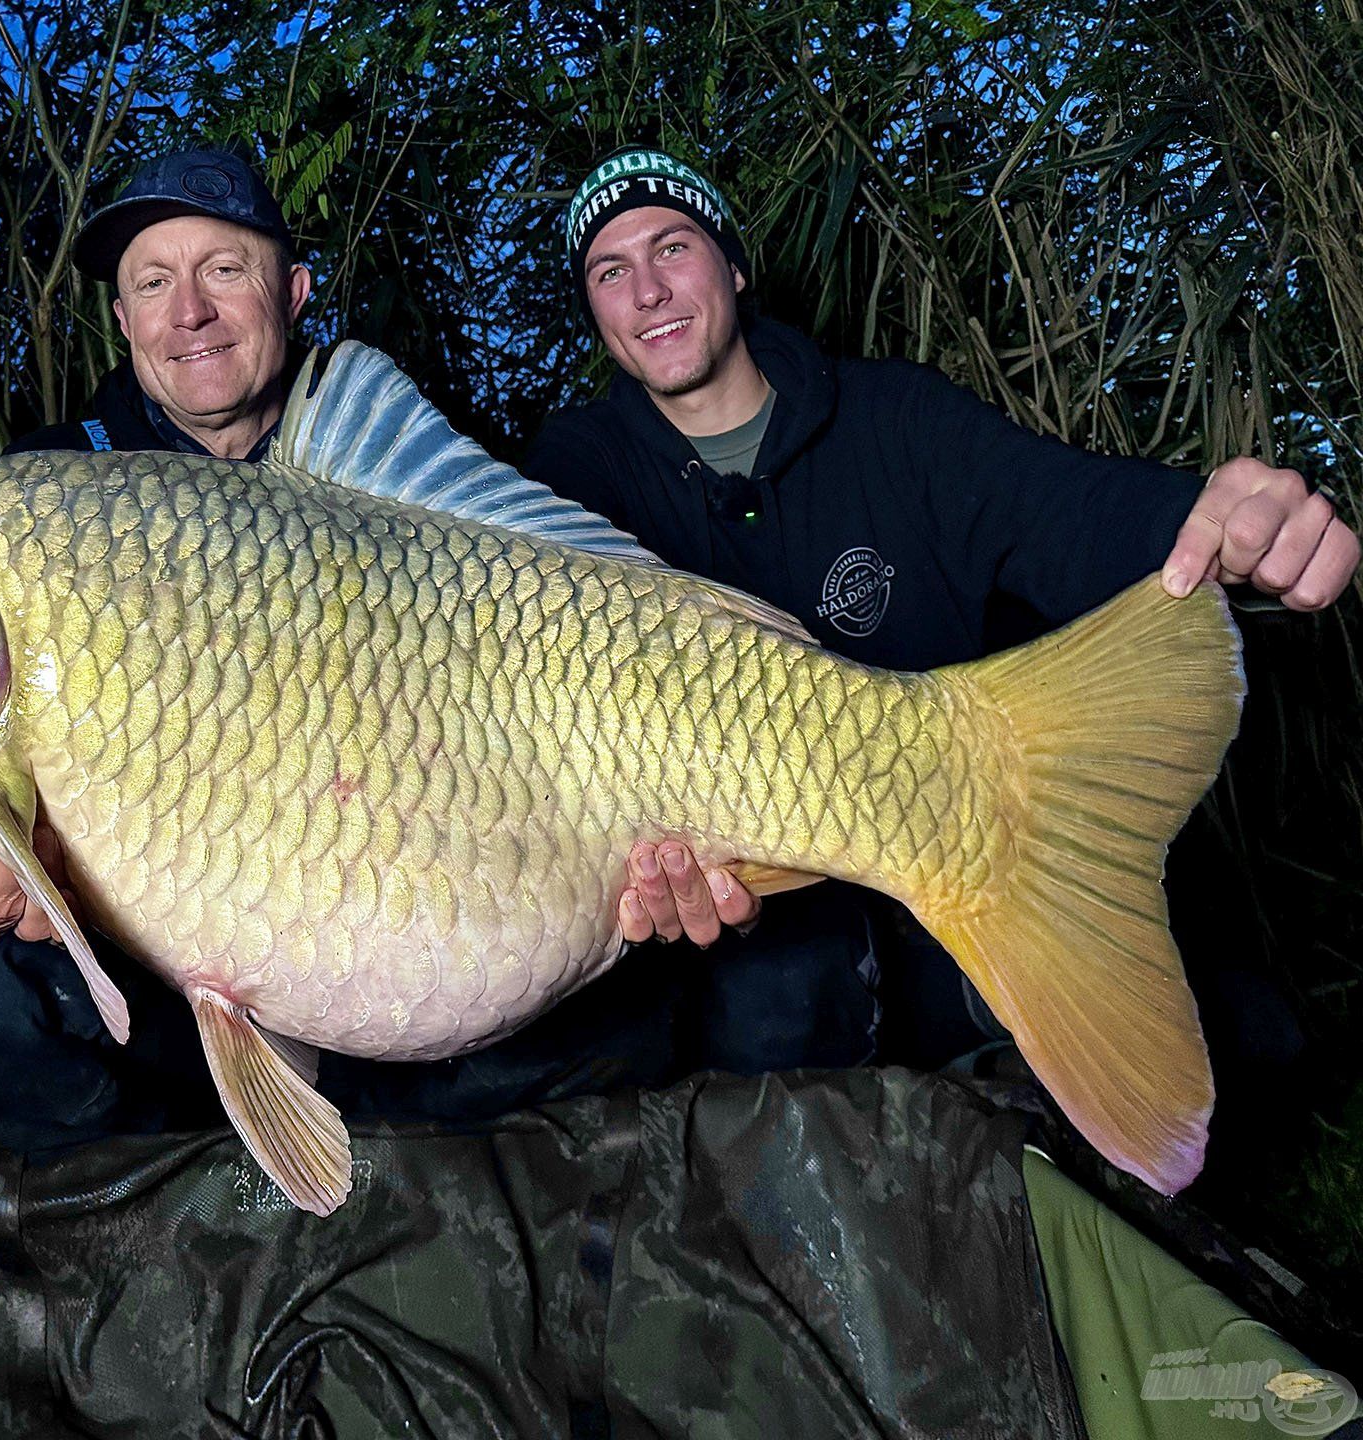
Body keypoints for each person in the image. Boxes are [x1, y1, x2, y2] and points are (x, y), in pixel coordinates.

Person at [0, 147, 756, 1156]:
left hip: (423, 968)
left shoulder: (397, 487)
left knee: (671, 998)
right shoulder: (51, 509)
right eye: (153, 282)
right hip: (152, 1011)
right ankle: (153, 1231)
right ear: (123, 321)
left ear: (292, 293)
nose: (187, 310)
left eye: (224, 271)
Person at [518, 146, 1361, 1067]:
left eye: (672, 246)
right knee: (760, 1002)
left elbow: (1063, 511)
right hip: (750, 954)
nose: (647, 289)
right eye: (611, 270)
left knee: (1253, 1041)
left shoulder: (895, 420)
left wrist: (1216, 527)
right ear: (596, 314)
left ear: (734, 265)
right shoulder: (567, 485)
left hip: (956, 888)